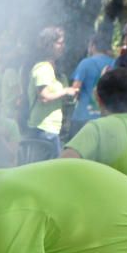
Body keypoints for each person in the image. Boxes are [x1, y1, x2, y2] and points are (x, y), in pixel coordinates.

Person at [27, 26, 77, 156]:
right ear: (49, 45)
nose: (63, 46)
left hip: (53, 129)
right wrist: (66, 91)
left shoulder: (59, 73)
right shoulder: (43, 68)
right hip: (43, 129)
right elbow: (44, 97)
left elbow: (60, 97)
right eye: (59, 43)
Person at [70, 32, 113, 137]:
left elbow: (75, 89)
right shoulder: (115, 63)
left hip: (83, 116)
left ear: (93, 46)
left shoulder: (85, 63)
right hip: (106, 118)